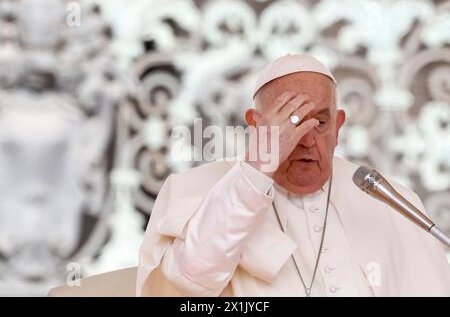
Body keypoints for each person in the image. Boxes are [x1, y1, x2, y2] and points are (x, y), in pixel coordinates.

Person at [136, 54, 450, 296]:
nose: (305, 139)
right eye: (289, 121)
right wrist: (258, 166)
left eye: (320, 122)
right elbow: (190, 278)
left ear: (338, 125)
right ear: (256, 125)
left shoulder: (389, 200)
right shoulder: (197, 188)